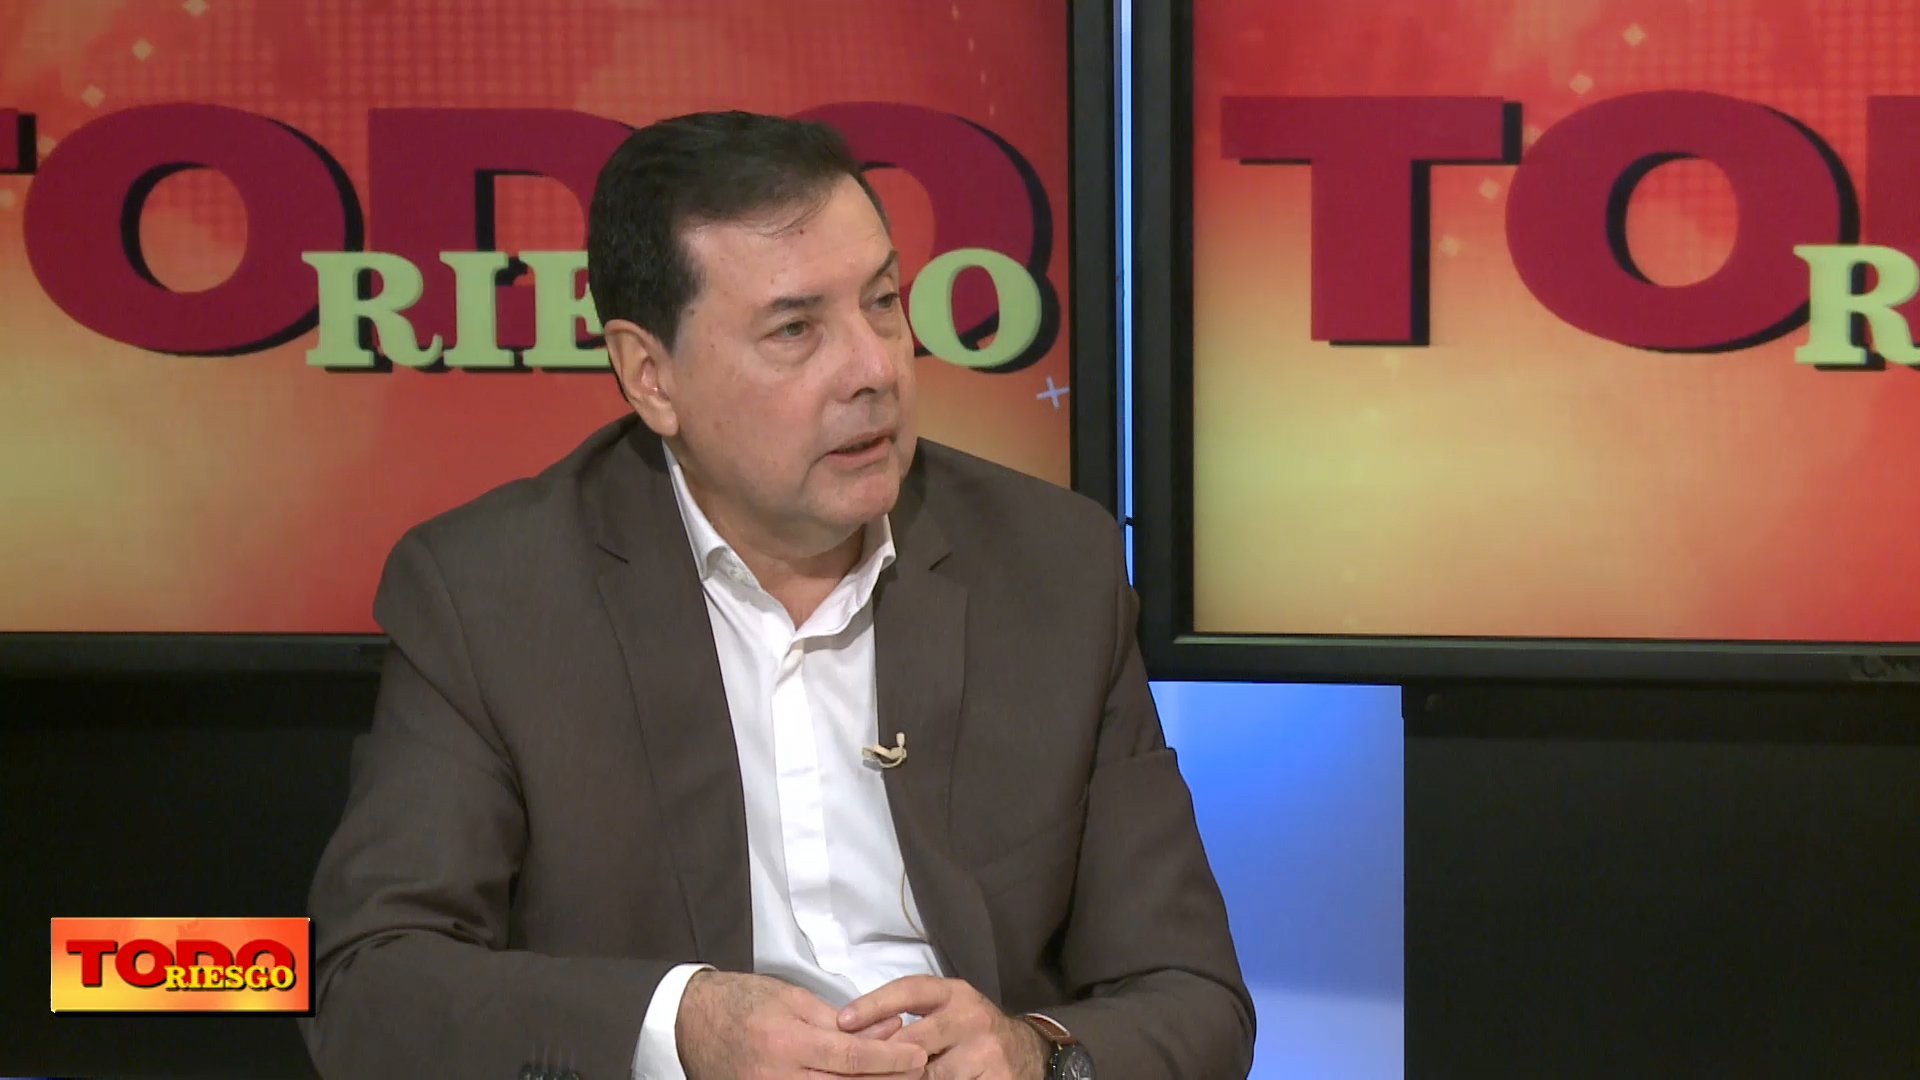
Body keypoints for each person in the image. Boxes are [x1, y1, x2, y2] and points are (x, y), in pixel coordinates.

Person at [301, 110, 1252, 1080]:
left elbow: (1195, 999)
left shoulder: (1053, 569)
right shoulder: (491, 596)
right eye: (796, 329)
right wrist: (681, 1028)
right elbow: (369, 984)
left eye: (883, 303)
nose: (875, 369)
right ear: (650, 376)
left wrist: (1030, 1053)